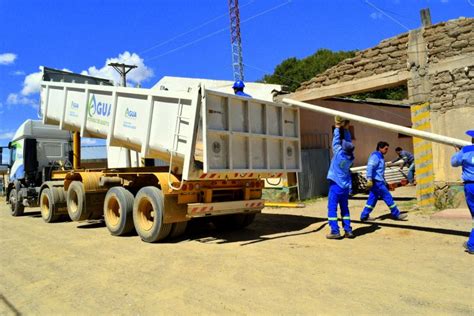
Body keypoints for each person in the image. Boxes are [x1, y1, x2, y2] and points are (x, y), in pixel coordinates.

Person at [360, 141, 408, 221]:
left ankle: (364, 216)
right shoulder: (375, 156)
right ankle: (396, 214)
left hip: (378, 182)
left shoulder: (380, 156)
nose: (387, 150)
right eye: (385, 149)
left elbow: (379, 171)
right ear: (380, 148)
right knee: (388, 197)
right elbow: (370, 167)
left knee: (372, 200)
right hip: (377, 182)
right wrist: (369, 178)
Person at [326, 116, 355, 239]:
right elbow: (348, 143)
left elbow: (336, 140)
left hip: (335, 185)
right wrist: (347, 129)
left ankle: (335, 231)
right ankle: (348, 230)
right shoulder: (351, 157)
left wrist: (338, 127)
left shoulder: (338, 153)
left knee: (332, 208)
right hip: (345, 186)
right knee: (345, 208)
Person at [450, 130, 474, 255]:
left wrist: (458, 152)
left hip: (471, 186)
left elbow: (454, 163)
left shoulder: (465, 151)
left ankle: (472, 244)